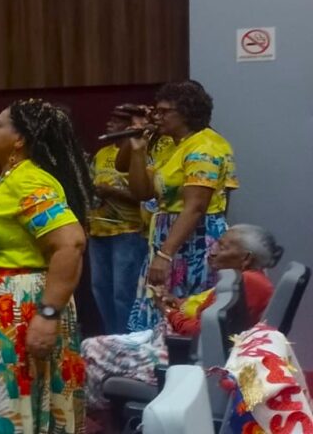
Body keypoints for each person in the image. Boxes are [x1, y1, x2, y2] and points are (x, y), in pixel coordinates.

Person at [0, 99, 94, 434]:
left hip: (15, 315)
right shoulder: (12, 179)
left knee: (3, 408)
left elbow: (70, 243)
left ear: (19, 140)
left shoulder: (30, 181)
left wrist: (47, 315)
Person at [83, 224, 281, 410]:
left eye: (222, 247)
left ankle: (102, 417)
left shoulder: (245, 284)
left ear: (246, 258)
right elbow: (203, 314)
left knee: (90, 348)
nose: (213, 250)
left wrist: (168, 311)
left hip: (186, 357)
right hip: (182, 345)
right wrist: (174, 302)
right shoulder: (246, 279)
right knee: (102, 345)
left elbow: (201, 333)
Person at [125, 81, 239, 332]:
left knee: (188, 312)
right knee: (159, 307)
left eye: (164, 111)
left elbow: (195, 207)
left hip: (194, 240)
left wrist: (165, 255)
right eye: (157, 111)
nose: (157, 117)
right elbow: (142, 192)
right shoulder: (170, 145)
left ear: (187, 113)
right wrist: (138, 151)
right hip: (166, 236)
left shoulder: (205, 147)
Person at [88, 104, 151, 335]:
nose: (109, 124)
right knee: (100, 289)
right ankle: (110, 337)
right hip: (98, 229)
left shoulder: (141, 153)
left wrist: (113, 192)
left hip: (127, 231)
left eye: (116, 121)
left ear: (130, 126)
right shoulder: (101, 154)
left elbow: (147, 195)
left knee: (123, 292)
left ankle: (127, 338)